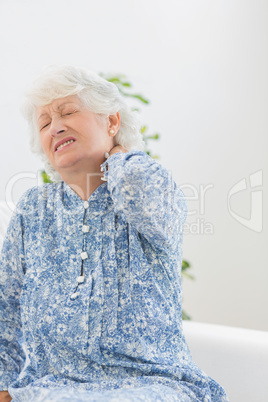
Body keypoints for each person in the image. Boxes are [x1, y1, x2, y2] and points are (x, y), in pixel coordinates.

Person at [0, 65, 229, 402]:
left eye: (68, 112)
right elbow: (6, 308)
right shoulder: (34, 208)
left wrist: (118, 154)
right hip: (49, 387)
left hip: (152, 385)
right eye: (45, 123)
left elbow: (137, 187)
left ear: (111, 121)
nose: (56, 127)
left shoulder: (149, 183)